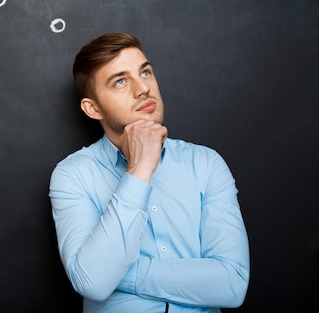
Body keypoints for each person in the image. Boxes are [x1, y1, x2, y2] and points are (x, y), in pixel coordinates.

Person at [49, 33, 250, 313]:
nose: (143, 87)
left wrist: (118, 273)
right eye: (120, 81)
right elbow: (93, 283)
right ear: (93, 108)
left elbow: (232, 284)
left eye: (145, 72)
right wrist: (139, 169)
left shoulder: (206, 163)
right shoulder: (73, 175)